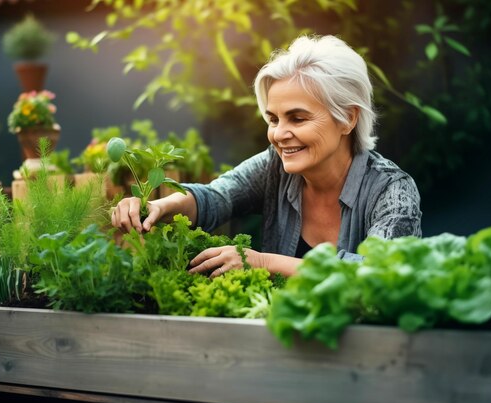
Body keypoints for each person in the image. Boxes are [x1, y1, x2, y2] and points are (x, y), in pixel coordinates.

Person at [111, 34, 422, 277]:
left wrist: (262, 261)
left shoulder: (392, 191)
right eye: (274, 119)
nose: (279, 134)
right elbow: (219, 197)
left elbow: (378, 276)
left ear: (348, 118)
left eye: (297, 118)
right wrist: (156, 207)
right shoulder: (276, 168)